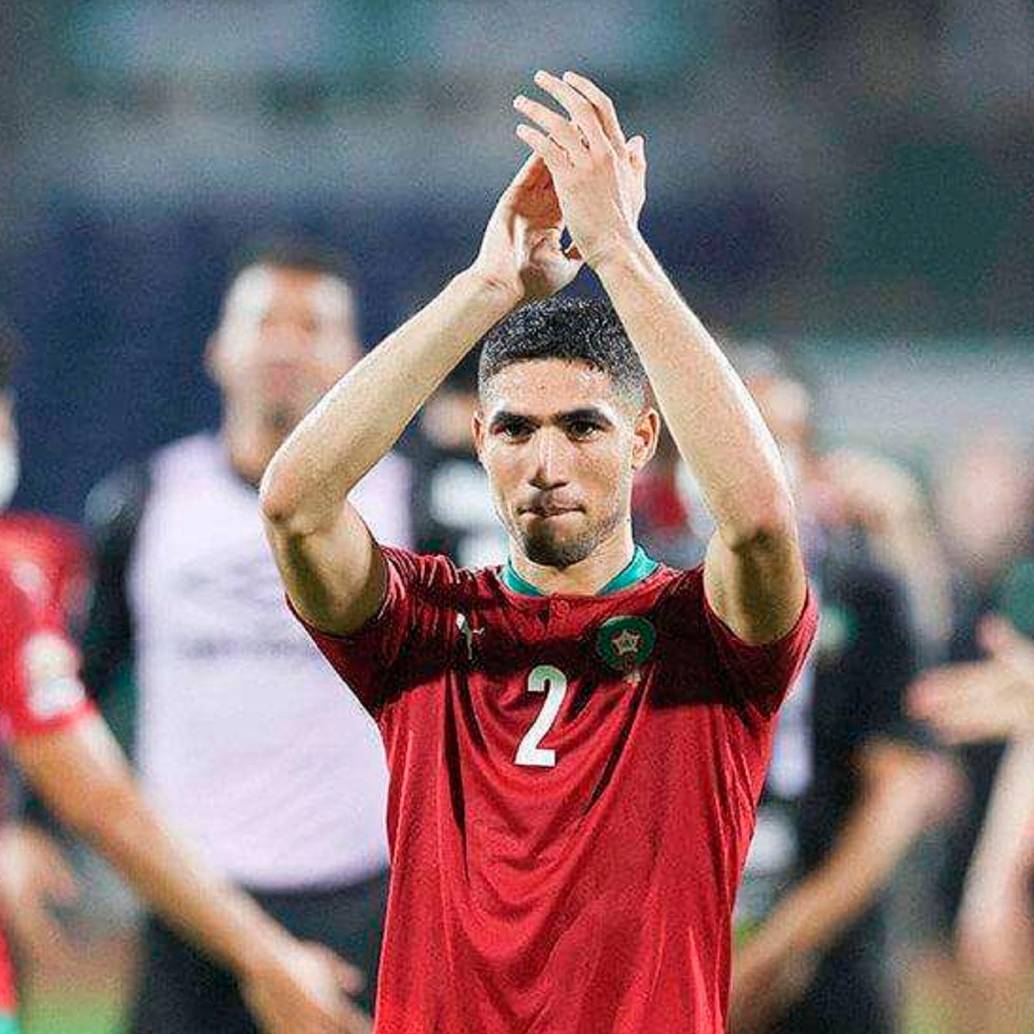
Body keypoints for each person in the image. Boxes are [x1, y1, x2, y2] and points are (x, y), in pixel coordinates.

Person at [260, 70, 817, 1033]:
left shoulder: (706, 636)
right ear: (481, 443)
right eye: (515, 430)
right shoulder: (422, 628)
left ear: (643, 440)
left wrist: (617, 249)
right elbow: (297, 506)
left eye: (584, 428)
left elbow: (761, 522)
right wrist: (485, 287)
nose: (546, 462)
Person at [0, 312, 368, 1034]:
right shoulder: (106, 527)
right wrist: (267, 959)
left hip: (356, 887)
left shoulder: (402, 502)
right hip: (195, 911)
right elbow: (100, 798)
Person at [78, 239, 408, 1032]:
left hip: (364, 901)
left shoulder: (415, 503)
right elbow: (82, 686)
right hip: (190, 908)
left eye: (313, 324)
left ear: (357, 359)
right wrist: (23, 825)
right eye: (263, 321)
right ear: (218, 349)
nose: (286, 342)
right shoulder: (140, 504)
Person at [728, 358, 957, 1034]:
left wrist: (782, 946)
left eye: (780, 439)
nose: (758, 463)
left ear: (812, 458)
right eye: (735, 438)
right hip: (686, 951)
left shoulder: (863, 590)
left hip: (831, 959)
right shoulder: (648, 591)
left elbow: (898, 790)